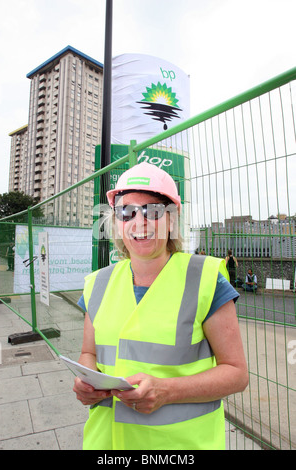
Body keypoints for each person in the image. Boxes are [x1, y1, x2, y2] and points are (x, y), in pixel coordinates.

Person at [73, 162, 248, 451]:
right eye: (126, 211)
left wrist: (167, 391)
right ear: (116, 220)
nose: (138, 222)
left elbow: (237, 373)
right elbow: (88, 353)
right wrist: (87, 382)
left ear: (171, 220)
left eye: (152, 211)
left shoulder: (205, 280)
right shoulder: (97, 284)